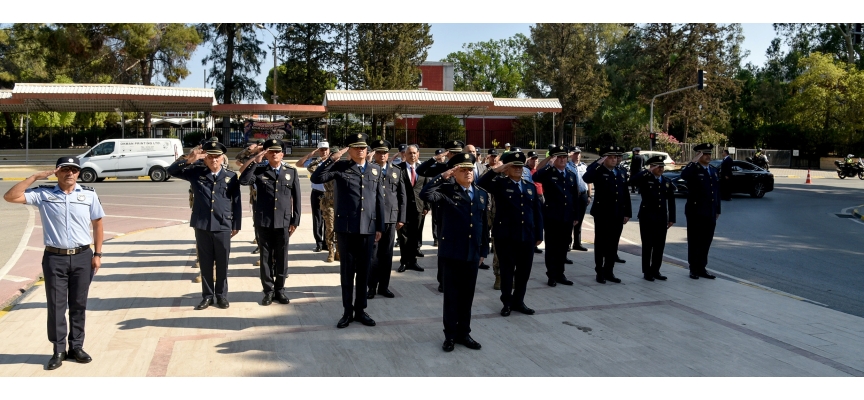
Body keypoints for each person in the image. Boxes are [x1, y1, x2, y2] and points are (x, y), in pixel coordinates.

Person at [3, 157, 104, 370]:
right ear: (57, 173)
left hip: (82, 256)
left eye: (74, 170)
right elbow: (10, 197)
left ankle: (76, 347)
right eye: (65, 170)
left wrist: (98, 254)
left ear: (78, 173)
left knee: (78, 304)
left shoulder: (89, 195)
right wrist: (34, 177)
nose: (70, 173)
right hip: (54, 258)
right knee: (56, 306)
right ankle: (58, 350)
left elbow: (98, 223)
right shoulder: (43, 194)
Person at [310, 133, 384, 328]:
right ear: (349, 150)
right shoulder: (340, 167)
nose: (360, 150)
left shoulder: (375, 170)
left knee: (364, 271)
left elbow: (379, 200)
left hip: (368, 228)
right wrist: (332, 159)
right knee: (347, 272)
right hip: (347, 229)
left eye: (363, 147)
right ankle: (347, 312)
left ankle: (361, 310)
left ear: (367, 149)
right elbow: (316, 177)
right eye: (356, 147)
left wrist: (380, 226)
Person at [420, 153, 489, 352]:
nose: (468, 172)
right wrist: (443, 176)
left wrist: (483, 249)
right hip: (451, 252)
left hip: (472, 252)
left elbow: (483, 224)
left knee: (467, 296)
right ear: (455, 172)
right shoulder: (446, 190)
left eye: (470, 169)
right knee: (452, 297)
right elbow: (425, 195)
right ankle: (450, 335)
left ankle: (464, 333)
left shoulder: (481, 193)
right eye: (463, 169)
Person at [167, 140, 242, 310]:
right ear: (205, 159)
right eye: (210, 157)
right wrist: (189, 159)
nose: (213, 160)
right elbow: (171, 171)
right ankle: (207, 296)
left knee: (222, 263)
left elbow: (236, 202)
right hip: (202, 225)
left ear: (223, 158)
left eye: (217, 157)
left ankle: (221, 295)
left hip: (223, 225)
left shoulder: (231, 177)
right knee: (206, 263)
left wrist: (236, 224)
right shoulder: (195, 172)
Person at [477, 151, 543, 317]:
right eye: (514, 166)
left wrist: (539, 234)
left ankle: (519, 301)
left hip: (526, 236)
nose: (518, 169)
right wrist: (497, 169)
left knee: (523, 272)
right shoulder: (499, 183)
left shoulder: (529, 186)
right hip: (506, 236)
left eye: (520, 166)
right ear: (507, 168)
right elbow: (480, 184)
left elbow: (537, 212)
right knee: (507, 271)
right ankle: (507, 302)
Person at [239, 139, 301, 306]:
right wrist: (254, 162)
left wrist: (295, 220)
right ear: (266, 153)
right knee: (265, 257)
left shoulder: (291, 172)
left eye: (277, 151)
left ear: (282, 154)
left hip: (284, 222)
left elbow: (297, 198)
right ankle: (268, 291)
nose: (274, 154)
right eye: (271, 151)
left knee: (282, 257)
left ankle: (280, 290)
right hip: (264, 221)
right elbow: (243, 181)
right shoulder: (259, 170)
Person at [532, 145, 582, 287]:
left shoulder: (571, 174)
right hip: (552, 216)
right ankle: (552, 275)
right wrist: (549, 162)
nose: (562, 159)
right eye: (558, 157)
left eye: (564, 157)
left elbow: (575, 197)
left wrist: (576, 215)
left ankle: (561, 273)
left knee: (563, 246)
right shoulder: (548, 173)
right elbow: (535, 176)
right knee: (552, 247)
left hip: (567, 216)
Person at [581, 145, 631, 284]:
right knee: (601, 244)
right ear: (604, 158)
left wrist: (627, 212)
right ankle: (600, 271)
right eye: (611, 157)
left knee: (613, 244)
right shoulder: (598, 170)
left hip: (617, 213)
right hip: (602, 213)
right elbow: (586, 178)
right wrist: (598, 163)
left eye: (616, 157)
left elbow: (625, 193)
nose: (614, 160)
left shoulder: (620, 171)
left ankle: (609, 271)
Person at [368, 140, 406, 299]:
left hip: (391, 218)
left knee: (387, 254)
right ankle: (371, 287)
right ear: (374, 154)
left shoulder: (396, 171)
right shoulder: (369, 170)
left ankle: (384, 286)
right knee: (373, 256)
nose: (382, 155)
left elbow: (402, 196)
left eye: (384, 152)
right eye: (379, 152)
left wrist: (401, 217)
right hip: (374, 218)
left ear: (388, 154)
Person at [630, 155, 676, 281]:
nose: (661, 169)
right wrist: (647, 171)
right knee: (647, 245)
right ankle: (647, 272)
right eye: (658, 166)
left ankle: (656, 270)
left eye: (662, 166)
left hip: (661, 218)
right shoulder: (645, 179)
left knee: (659, 246)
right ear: (652, 167)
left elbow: (671, 201)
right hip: (647, 217)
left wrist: (671, 217)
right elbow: (632, 181)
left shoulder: (666, 181)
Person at [681, 143, 721, 280]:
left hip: (710, 211)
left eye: (709, 153)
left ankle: (702, 267)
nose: (708, 156)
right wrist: (693, 161)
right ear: (698, 155)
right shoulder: (693, 169)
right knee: (695, 241)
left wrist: (718, 209)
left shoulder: (714, 170)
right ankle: (693, 268)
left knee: (706, 241)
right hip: (696, 211)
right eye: (705, 154)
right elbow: (684, 175)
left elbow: (716, 192)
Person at [396, 144, 430, 273]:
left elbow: (426, 188)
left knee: (415, 235)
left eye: (414, 153)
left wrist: (426, 206)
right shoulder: (398, 169)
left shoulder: (423, 170)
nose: (412, 155)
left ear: (418, 154)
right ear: (405, 154)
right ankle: (404, 262)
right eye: (409, 153)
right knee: (403, 236)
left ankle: (413, 261)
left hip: (419, 207)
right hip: (403, 208)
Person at [297, 142, 331, 252]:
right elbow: (299, 164)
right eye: (321, 150)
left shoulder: (333, 162)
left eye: (326, 149)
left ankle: (327, 242)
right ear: (318, 151)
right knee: (317, 218)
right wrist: (310, 154)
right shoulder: (313, 162)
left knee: (329, 219)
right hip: (317, 192)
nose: (324, 152)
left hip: (329, 194)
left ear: (329, 150)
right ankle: (319, 243)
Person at [566, 147, 590, 252]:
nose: (577, 155)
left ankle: (577, 243)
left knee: (579, 220)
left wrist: (589, 195)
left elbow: (588, 181)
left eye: (579, 153)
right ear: (571, 155)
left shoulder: (584, 166)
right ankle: (567, 243)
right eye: (575, 153)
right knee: (571, 219)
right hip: (572, 196)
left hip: (583, 195)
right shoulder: (567, 166)